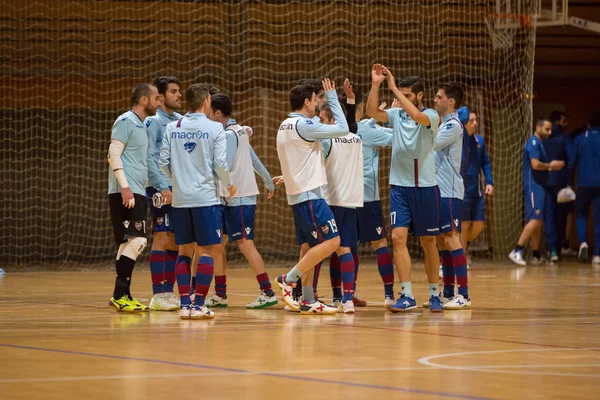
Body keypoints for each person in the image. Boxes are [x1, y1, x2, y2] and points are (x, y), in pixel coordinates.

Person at [365, 64, 441, 313]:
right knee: (398, 238)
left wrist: (395, 88)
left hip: (425, 187)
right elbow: (372, 113)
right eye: (402, 94)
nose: (402, 99)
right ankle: (406, 295)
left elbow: (417, 117)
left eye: (408, 95)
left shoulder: (431, 116)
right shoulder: (397, 116)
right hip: (399, 187)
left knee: (429, 241)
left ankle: (434, 294)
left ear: (419, 96)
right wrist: (376, 85)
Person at [159, 83, 236, 320]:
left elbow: (163, 162)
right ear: (206, 102)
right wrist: (229, 184)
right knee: (206, 251)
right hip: (206, 199)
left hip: (181, 199)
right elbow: (221, 164)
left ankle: (184, 304)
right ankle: (199, 304)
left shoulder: (173, 127)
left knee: (184, 251)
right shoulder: (215, 128)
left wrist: (178, 180)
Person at [274, 79, 348, 315]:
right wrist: (334, 98)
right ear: (307, 102)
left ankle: (307, 299)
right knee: (333, 241)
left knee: (309, 247)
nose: (319, 103)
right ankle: (289, 279)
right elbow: (343, 129)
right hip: (310, 196)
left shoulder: (285, 124)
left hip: (298, 195)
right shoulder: (304, 126)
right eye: (316, 99)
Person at [206, 92, 278, 309]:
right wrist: (267, 179)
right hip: (231, 199)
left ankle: (267, 292)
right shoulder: (240, 131)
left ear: (218, 113)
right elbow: (253, 158)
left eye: (208, 112)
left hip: (238, 198)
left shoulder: (229, 135)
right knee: (218, 245)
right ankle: (220, 294)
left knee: (245, 244)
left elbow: (223, 166)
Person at [107, 83, 159, 312]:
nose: (159, 102)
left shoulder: (141, 125)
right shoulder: (126, 121)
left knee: (128, 242)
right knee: (138, 241)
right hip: (126, 191)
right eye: (156, 97)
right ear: (144, 100)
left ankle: (122, 295)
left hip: (137, 189)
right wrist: (125, 187)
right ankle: (120, 294)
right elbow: (113, 154)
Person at [343, 88, 395, 308]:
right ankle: (389, 294)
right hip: (367, 196)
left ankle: (346, 294)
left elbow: (363, 129)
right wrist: (394, 118)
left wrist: (374, 121)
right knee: (379, 243)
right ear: (361, 107)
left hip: (344, 196)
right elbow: (397, 139)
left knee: (348, 245)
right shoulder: (366, 130)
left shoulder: (338, 130)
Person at [319, 103, 364, 313]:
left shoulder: (327, 140)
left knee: (321, 248)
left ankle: (312, 295)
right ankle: (346, 298)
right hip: (351, 201)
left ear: (332, 120)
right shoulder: (357, 139)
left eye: (322, 120)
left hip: (331, 200)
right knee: (344, 248)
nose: (320, 124)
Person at [430, 83, 470, 310]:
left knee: (452, 238)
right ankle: (447, 292)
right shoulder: (443, 124)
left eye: (439, 97)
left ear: (451, 102)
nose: (435, 100)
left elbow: (431, 144)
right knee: (443, 240)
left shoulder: (453, 125)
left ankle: (463, 294)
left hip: (450, 191)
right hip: (438, 190)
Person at [144, 76, 182, 311]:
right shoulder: (153, 122)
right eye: (174, 91)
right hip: (160, 187)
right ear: (160, 96)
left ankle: (169, 291)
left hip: (179, 189)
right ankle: (158, 293)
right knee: (161, 235)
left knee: (177, 240)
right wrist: (162, 186)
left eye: (179, 91)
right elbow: (149, 157)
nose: (179, 95)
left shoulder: (180, 121)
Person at [509, 119, 565, 265]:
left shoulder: (539, 143)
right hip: (533, 186)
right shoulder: (533, 142)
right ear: (538, 127)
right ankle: (517, 251)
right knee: (535, 220)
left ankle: (536, 255)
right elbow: (535, 164)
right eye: (547, 129)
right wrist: (551, 165)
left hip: (540, 186)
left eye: (550, 129)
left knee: (538, 222)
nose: (550, 132)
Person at [460, 109, 493, 265]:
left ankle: (461, 247)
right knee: (464, 224)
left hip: (477, 190)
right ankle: (462, 257)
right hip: (462, 190)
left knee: (479, 225)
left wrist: (489, 182)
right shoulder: (457, 141)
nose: (475, 123)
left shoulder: (480, 141)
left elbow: (485, 162)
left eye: (476, 120)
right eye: (471, 120)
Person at [569, 110, 600, 265]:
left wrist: (569, 181)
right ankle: (597, 255)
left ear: (588, 123)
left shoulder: (580, 139)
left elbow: (572, 161)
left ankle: (583, 243)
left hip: (583, 183)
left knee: (581, 214)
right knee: (599, 220)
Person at [543, 110, 574, 262]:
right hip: (561, 182)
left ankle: (552, 250)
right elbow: (572, 158)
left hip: (544, 182)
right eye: (563, 120)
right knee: (561, 216)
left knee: (548, 216)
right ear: (557, 122)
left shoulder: (541, 138)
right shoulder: (564, 137)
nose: (565, 123)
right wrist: (569, 177)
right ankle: (560, 246)